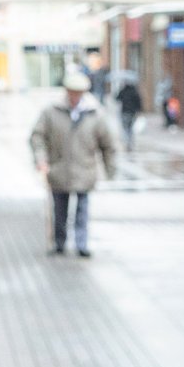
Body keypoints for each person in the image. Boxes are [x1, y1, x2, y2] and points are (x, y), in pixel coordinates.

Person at [30, 70, 117, 257]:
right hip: (59, 169)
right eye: (71, 92)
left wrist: (110, 170)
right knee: (59, 209)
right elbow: (37, 136)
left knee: (82, 210)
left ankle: (81, 244)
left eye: (78, 92)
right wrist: (41, 159)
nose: (74, 96)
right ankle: (59, 242)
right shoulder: (51, 112)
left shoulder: (95, 115)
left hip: (85, 170)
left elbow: (108, 144)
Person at [116, 80, 142, 152]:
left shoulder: (123, 91)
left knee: (125, 127)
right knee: (130, 128)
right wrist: (139, 111)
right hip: (132, 113)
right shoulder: (135, 92)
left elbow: (117, 98)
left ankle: (127, 141)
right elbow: (139, 102)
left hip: (124, 112)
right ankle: (130, 141)